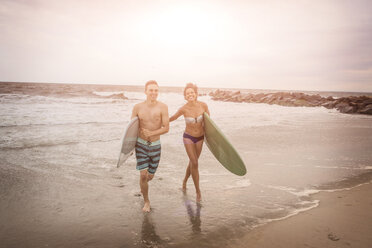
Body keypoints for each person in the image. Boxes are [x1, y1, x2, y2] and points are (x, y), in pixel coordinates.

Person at [131, 80, 169, 212]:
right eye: (151, 90)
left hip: (155, 146)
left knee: (149, 176)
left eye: (156, 90)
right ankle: (147, 201)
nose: (153, 93)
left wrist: (152, 133)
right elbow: (131, 129)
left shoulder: (163, 107)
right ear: (145, 91)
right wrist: (129, 147)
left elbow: (166, 128)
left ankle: (143, 188)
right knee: (142, 175)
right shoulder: (137, 107)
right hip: (140, 145)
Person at [169, 83, 210, 202]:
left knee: (193, 162)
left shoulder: (203, 105)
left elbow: (209, 123)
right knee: (195, 162)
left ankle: (185, 181)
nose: (190, 94)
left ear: (196, 94)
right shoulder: (183, 108)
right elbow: (172, 118)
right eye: (187, 93)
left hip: (200, 138)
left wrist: (212, 139)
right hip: (188, 137)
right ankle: (198, 192)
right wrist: (158, 122)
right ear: (185, 96)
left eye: (192, 92)